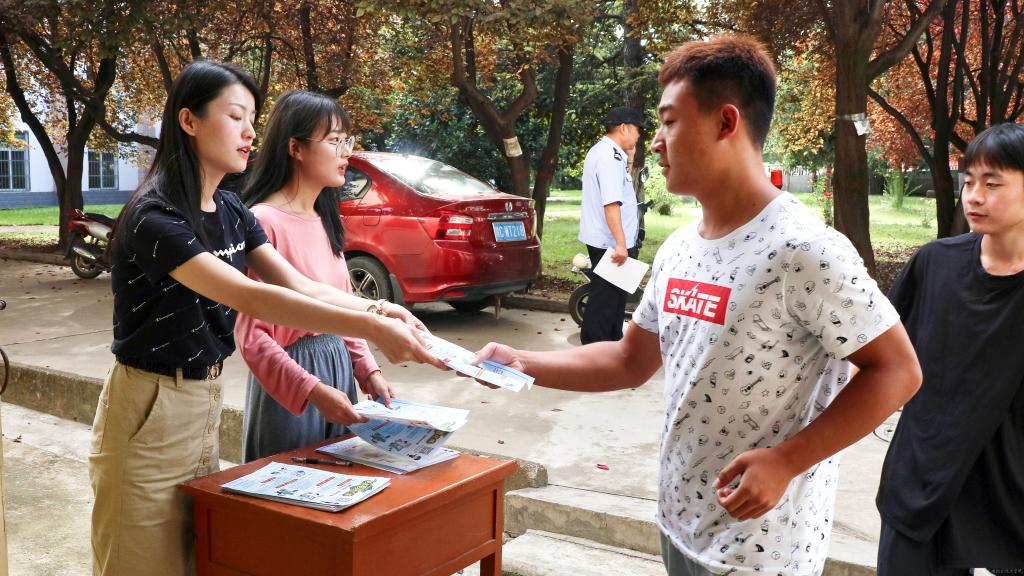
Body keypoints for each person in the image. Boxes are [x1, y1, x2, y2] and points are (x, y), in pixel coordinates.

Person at [471, 35, 921, 575]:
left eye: (669, 122)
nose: (657, 143)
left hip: (762, 550)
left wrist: (787, 461)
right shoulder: (681, 248)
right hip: (679, 524)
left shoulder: (804, 250)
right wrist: (523, 363)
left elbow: (898, 371)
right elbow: (629, 361)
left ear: (726, 122)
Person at [89, 61, 442, 576]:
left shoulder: (231, 210)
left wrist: (381, 308)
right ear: (189, 121)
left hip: (203, 398)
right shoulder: (155, 217)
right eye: (235, 117)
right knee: (139, 563)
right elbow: (250, 297)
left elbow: (298, 283)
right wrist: (371, 327)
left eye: (253, 120)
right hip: (149, 402)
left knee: (197, 559)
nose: (250, 132)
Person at [875, 123, 1024, 575]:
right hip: (921, 484)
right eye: (968, 181)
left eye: (992, 184)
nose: (974, 196)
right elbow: (879, 360)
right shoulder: (934, 263)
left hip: (1009, 489)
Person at [235, 90, 395, 462]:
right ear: (296, 147)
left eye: (347, 141)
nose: (346, 153)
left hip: (337, 372)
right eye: (335, 141)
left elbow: (343, 310)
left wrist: (367, 371)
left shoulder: (326, 220)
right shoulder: (263, 222)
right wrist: (311, 389)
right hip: (291, 384)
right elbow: (253, 338)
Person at [579, 106, 644, 344]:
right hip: (611, 243)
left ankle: (612, 346)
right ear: (623, 128)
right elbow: (611, 204)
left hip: (611, 240)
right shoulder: (608, 157)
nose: (639, 135)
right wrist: (621, 244)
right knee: (604, 301)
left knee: (615, 298)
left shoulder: (609, 153)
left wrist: (630, 158)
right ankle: (592, 350)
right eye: (637, 130)